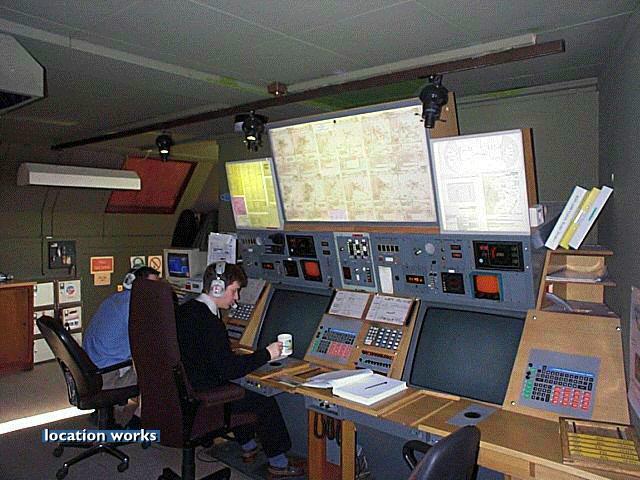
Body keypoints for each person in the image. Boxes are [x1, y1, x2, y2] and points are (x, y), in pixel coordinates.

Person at [175, 262, 304, 478]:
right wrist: (267, 354)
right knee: (264, 402)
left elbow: (210, 357)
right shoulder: (210, 322)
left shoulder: (185, 310)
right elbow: (230, 370)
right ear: (217, 288)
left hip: (186, 392)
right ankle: (279, 463)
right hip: (205, 398)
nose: (236, 298)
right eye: (234, 291)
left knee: (240, 390)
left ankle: (248, 447)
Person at [83, 266, 160, 427]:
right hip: (106, 376)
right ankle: (137, 420)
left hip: (89, 371)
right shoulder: (135, 308)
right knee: (157, 370)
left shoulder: (114, 299)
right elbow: (149, 344)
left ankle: (107, 412)